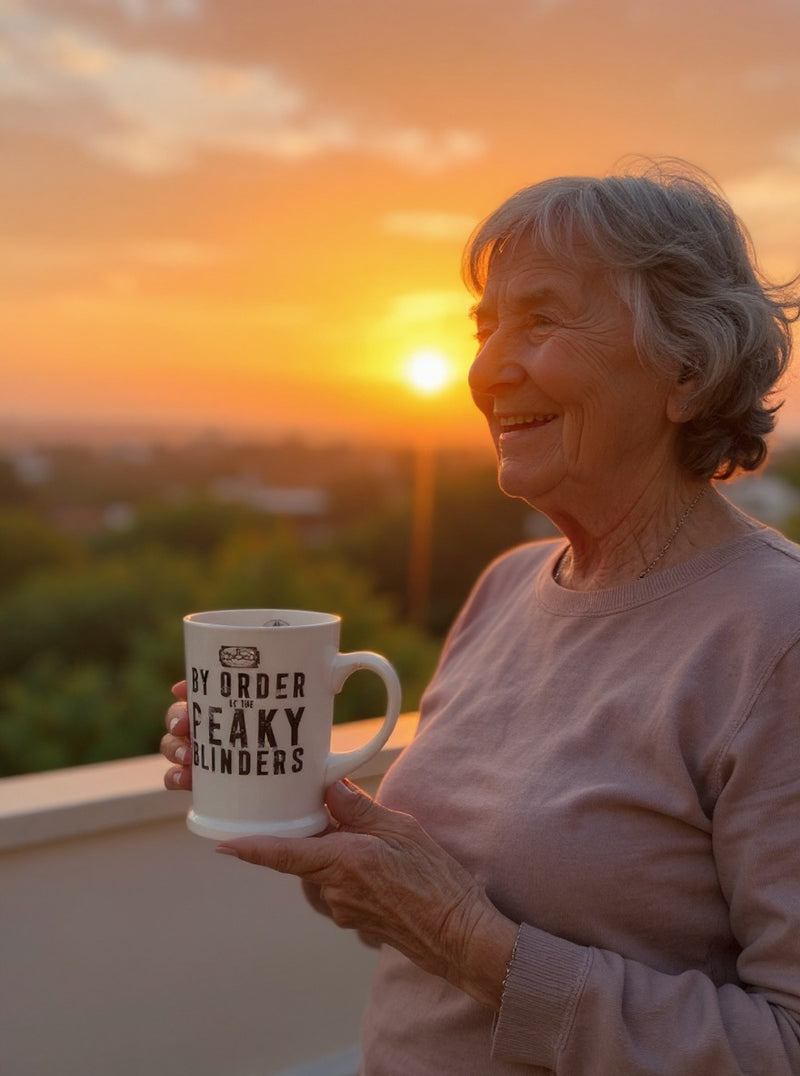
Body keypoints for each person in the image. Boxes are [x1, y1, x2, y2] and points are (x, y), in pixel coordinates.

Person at [161, 161, 800, 1074]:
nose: (490, 369)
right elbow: (435, 896)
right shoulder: (508, 586)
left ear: (688, 370)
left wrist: (471, 943)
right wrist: (289, 796)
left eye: (541, 320)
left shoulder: (777, 636)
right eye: (486, 326)